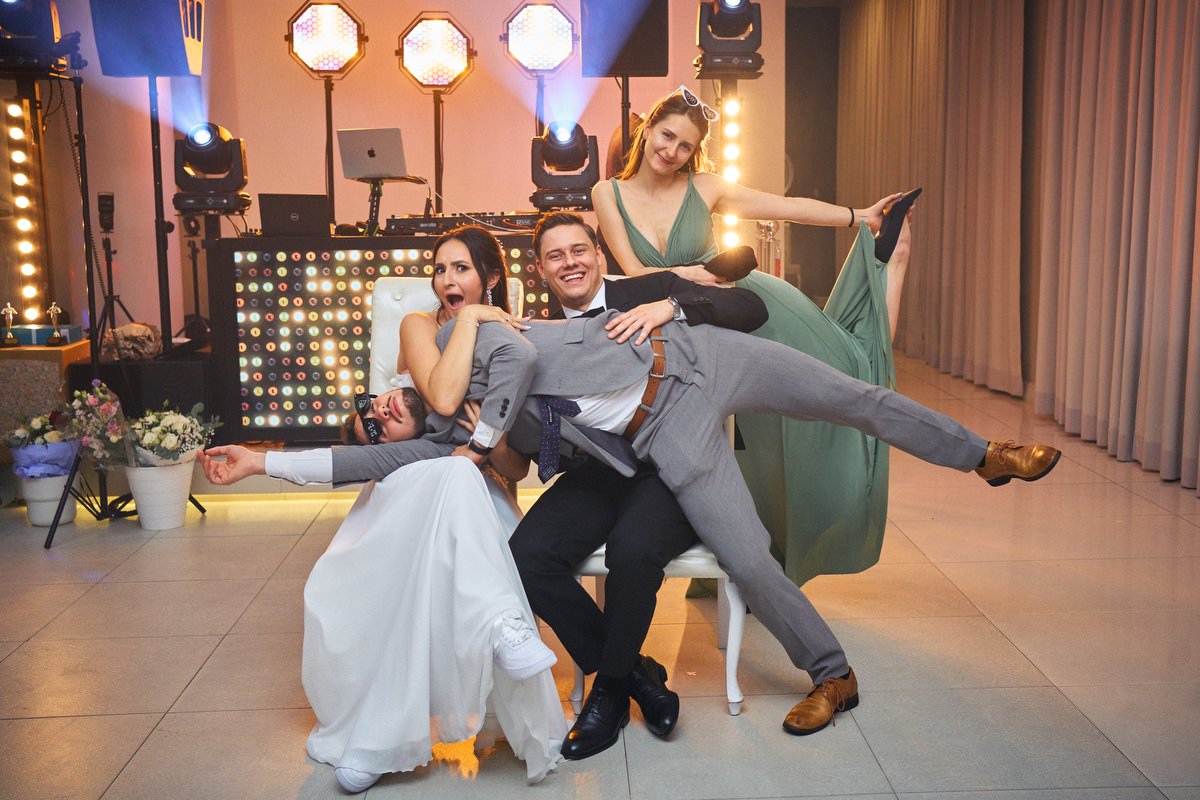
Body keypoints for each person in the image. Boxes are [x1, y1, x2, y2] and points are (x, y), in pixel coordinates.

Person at [203, 217, 1060, 741]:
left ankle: (983, 455)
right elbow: (383, 455)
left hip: (701, 355)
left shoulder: (492, 334)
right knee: (748, 557)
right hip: (667, 430)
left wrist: (669, 302)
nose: (383, 410)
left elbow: (497, 379)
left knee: (852, 398)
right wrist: (262, 462)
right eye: (376, 416)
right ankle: (832, 674)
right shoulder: (448, 422)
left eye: (382, 402)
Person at [231, 226, 567, 794]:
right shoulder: (420, 326)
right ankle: (477, 652)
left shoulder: (510, 339)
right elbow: (439, 399)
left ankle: (415, 710)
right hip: (418, 486)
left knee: (462, 478)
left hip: (476, 487)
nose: (445, 279)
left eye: (459, 268)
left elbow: (513, 470)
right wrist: (470, 319)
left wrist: (487, 439)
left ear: (490, 277)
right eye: (439, 269)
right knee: (451, 477)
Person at [591, 84, 914, 588]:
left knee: (836, 374)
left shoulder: (705, 187)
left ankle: (762, 561)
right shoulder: (606, 193)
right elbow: (633, 273)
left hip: (740, 307)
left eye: (685, 146)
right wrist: (689, 274)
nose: (672, 151)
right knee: (735, 445)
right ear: (648, 128)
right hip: (676, 322)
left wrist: (859, 216)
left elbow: (784, 206)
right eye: (667, 136)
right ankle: (732, 558)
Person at [508, 211, 769, 760]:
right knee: (526, 555)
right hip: (597, 473)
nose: (570, 263)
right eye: (555, 256)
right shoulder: (537, 335)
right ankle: (636, 675)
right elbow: (539, 442)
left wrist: (669, 307)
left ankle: (606, 694)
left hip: (672, 465)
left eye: (579, 250)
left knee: (633, 549)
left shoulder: (648, 291)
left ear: (598, 255)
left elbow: (752, 309)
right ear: (541, 270)